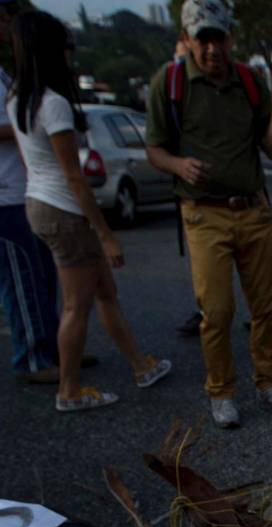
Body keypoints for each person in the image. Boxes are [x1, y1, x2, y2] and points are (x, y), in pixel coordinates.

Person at [8, 11, 172, 412]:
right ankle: (69, 390)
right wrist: (106, 233)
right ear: (51, 50)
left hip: (40, 203)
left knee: (105, 292)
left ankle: (140, 366)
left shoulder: (18, 99)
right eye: (67, 46)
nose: (71, 54)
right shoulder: (54, 104)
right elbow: (75, 178)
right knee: (76, 305)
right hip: (64, 211)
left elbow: (35, 165)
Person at [145, 0, 272, 428]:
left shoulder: (249, 81)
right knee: (218, 310)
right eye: (202, 39)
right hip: (203, 216)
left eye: (218, 38)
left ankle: (268, 382)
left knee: (265, 308)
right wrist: (178, 165)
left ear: (230, 38)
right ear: (188, 40)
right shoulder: (170, 83)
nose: (211, 49)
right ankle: (222, 390)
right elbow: (153, 149)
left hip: (253, 211)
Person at [0, 0, 61, 385]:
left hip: (28, 190)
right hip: (5, 195)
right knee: (21, 279)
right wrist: (30, 125)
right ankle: (33, 359)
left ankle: (55, 349)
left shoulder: (5, 74)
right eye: (5, 19)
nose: (9, 27)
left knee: (41, 278)